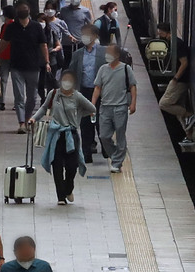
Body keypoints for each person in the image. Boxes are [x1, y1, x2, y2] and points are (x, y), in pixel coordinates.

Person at [30, 71, 95, 205]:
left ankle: (68, 188)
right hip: (56, 135)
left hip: (71, 135)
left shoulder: (77, 96)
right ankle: (60, 196)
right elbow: (43, 108)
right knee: (57, 165)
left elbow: (92, 108)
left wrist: (78, 116)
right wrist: (33, 118)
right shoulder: (54, 94)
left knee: (72, 166)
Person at [0, 0, 49, 134]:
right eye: (20, 8)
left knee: (32, 97)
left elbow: (43, 45)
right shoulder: (12, 27)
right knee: (19, 97)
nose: (23, 10)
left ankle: (28, 117)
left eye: (25, 8)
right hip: (16, 66)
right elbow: (4, 42)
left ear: (29, 11)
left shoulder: (36, 27)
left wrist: (46, 62)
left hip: (33, 66)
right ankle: (21, 123)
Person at [91, 43, 137, 173]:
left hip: (120, 107)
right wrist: (92, 104)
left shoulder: (126, 69)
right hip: (105, 107)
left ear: (117, 55)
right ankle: (116, 155)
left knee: (120, 135)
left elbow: (133, 86)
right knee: (104, 135)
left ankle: (117, 163)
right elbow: (97, 88)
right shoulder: (102, 69)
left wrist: (133, 103)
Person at [69, 24, 106, 163]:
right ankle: (86, 153)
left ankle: (106, 147)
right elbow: (71, 72)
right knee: (85, 124)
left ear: (95, 36)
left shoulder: (104, 52)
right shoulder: (77, 54)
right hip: (84, 91)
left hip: (101, 93)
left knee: (102, 123)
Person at [156, 23, 194, 141]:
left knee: (164, 104)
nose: (159, 35)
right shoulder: (172, 43)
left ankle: (190, 115)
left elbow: (184, 62)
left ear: (165, 32)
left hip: (179, 81)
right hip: (179, 80)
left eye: (160, 33)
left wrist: (175, 78)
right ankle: (189, 134)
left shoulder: (177, 44)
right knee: (178, 109)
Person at [36, 13, 61, 105]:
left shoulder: (51, 32)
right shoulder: (35, 33)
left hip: (52, 60)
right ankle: (43, 98)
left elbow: (59, 45)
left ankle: (49, 101)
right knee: (40, 84)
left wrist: (54, 49)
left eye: (41, 21)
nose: (40, 24)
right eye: (38, 22)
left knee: (50, 83)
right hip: (39, 62)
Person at [58, 0, 91, 68]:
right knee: (67, 63)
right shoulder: (63, 10)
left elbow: (89, 25)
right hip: (67, 42)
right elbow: (60, 24)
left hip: (80, 41)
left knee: (80, 63)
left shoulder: (86, 11)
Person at [0, 5, 14, 111]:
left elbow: (2, 42)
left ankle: (1, 102)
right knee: (17, 80)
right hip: (14, 56)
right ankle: (17, 102)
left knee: (4, 80)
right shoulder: (16, 25)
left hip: (5, 56)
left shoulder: (6, 26)